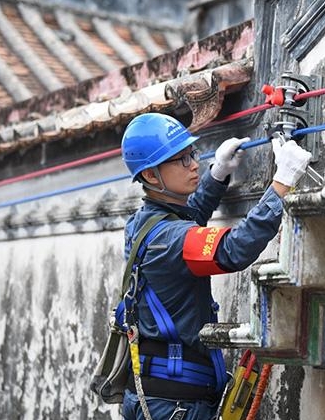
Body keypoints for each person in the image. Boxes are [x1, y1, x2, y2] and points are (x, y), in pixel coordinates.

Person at [119, 112, 311, 420]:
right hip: (175, 406)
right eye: (181, 160)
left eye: (192, 154)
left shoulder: (145, 223)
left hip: (163, 399)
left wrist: (217, 174)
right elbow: (232, 250)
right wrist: (281, 184)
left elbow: (189, 216)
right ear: (152, 176)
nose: (194, 164)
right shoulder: (167, 239)